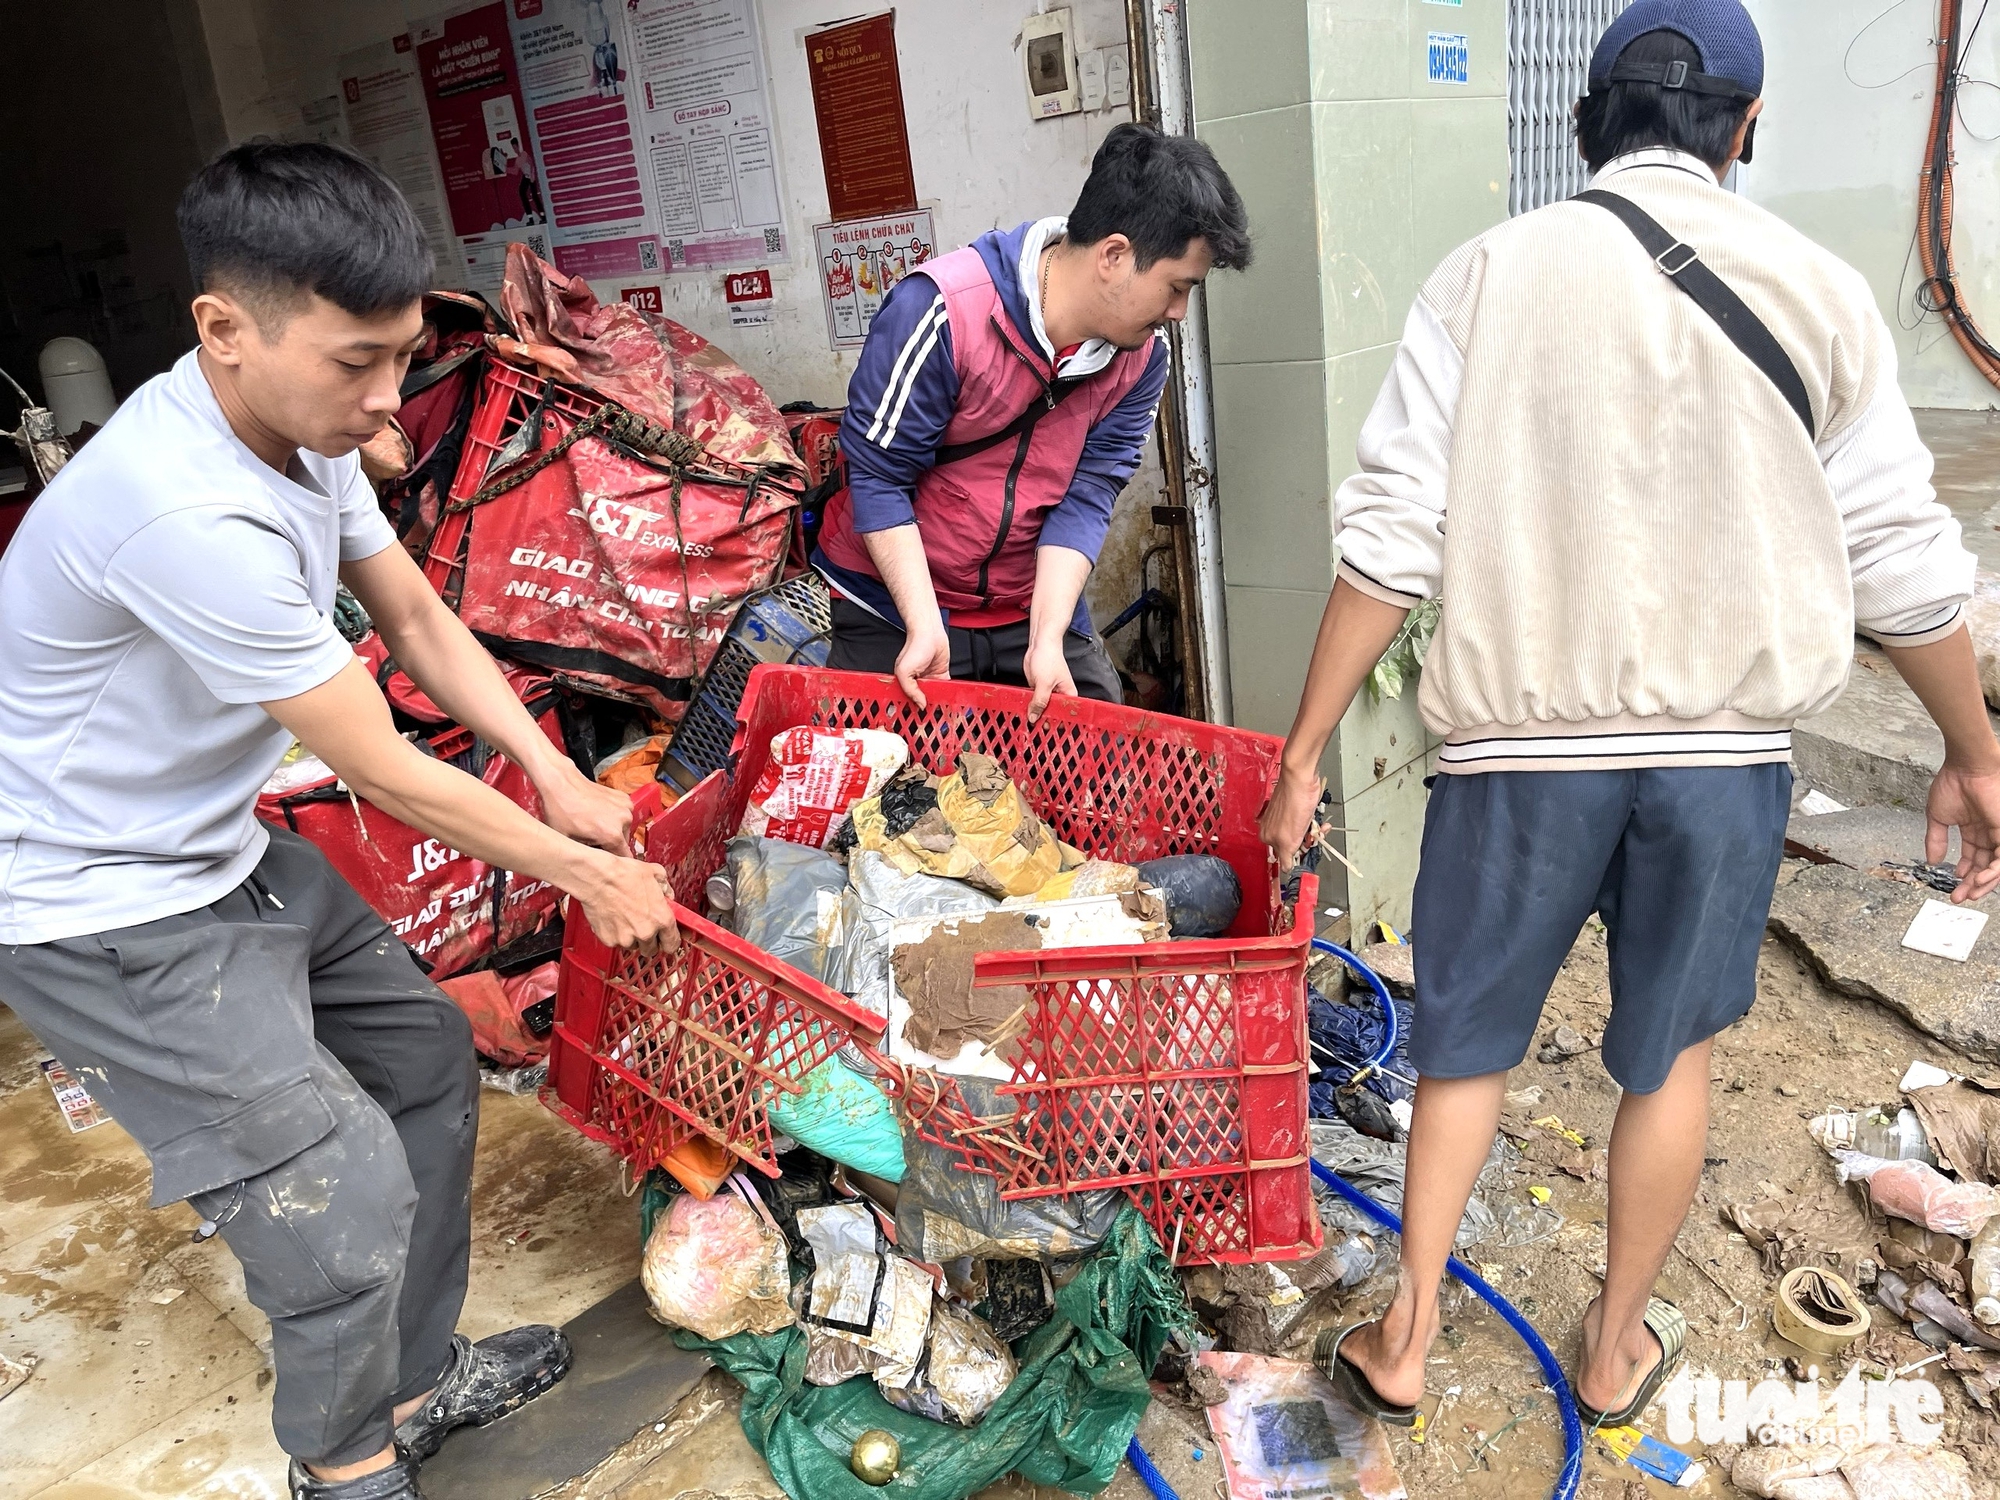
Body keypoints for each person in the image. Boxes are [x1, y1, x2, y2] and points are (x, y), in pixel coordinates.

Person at [1258, 0, 2000, 1434]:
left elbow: (1390, 536)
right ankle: (1610, 1358)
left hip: (1519, 761)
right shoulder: (1820, 288)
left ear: (1592, 124)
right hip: (1719, 765)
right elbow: (1904, 563)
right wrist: (1974, 751)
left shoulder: (1485, 275)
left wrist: (1302, 756)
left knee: (1464, 1045)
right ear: (1746, 130)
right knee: (1669, 1059)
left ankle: (1405, 1339)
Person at [0, 142, 678, 1500]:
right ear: (223, 330)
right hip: (100, 907)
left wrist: (551, 774)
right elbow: (381, 769)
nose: (386, 401)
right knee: (339, 1193)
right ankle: (344, 1463)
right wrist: (578, 873)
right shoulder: (181, 506)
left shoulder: (297, 435)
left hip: (212, 848)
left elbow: (421, 618)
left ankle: (416, 1383)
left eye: (401, 357)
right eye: (355, 362)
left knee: (424, 1055)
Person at [814, 123, 1251, 718]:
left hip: (1029, 602)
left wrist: (1047, 639)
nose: (1178, 313)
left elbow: (1089, 492)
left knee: (1099, 768)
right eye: (1177, 287)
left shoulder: (1143, 359)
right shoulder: (942, 312)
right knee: (890, 786)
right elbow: (879, 478)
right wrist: (922, 626)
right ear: (1114, 255)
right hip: (896, 604)